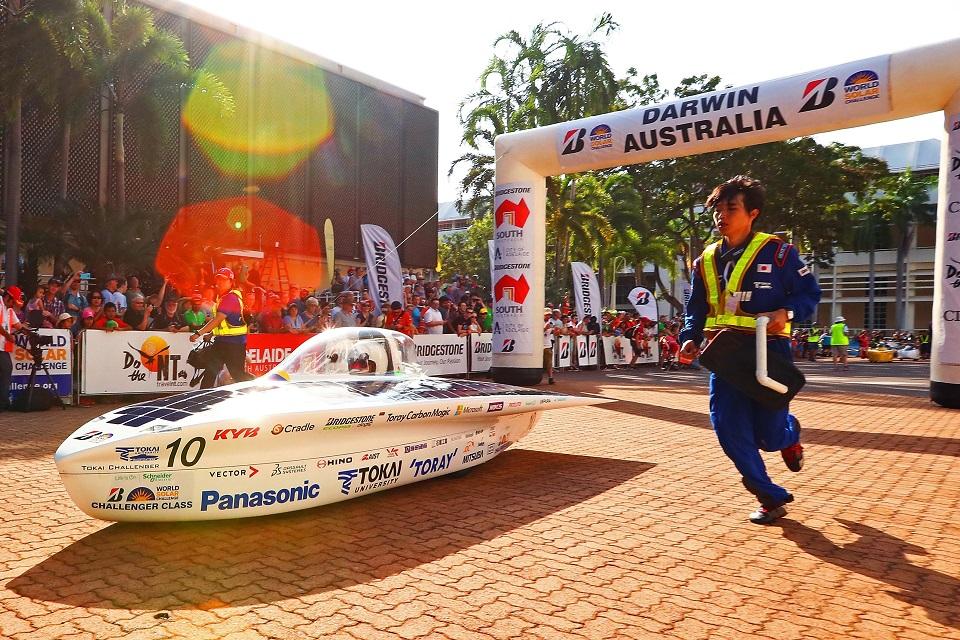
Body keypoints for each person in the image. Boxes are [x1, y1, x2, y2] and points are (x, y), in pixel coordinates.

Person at [679, 175, 821, 525]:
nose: (721, 216)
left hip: (768, 352)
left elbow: (809, 295)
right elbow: (696, 306)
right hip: (723, 355)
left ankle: (789, 433)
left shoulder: (780, 253)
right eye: (718, 209)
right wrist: (690, 334)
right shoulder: (705, 260)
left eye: (731, 208)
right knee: (728, 428)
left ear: (752, 213)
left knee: (769, 436)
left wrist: (784, 313)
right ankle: (769, 496)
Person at [190, 268, 254, 388]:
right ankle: (203, 396)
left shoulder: (230, 298)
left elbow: (218, 319)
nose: (219, 282)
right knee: (210, 371)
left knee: (238, 375)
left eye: (223, 279)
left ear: (231, 281)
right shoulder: (223, 297)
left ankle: (257, 390)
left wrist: (199, 333)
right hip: (222, 342)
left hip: (234, 344)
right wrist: (212, 334)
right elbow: (223, 323)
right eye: (218, 279)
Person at [0, 286, 25, 412]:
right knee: (6, 371)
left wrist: (28, 332)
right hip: (1, 347)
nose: (13, 305)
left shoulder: (9, 310)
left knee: (5, 372)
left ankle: (3, 403)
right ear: (8, 297)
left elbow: (18, 325)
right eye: (13, 302)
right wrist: (8, 335)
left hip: (3, 347)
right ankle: (3, 403)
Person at [543, 308, 562, 384]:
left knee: (549, 362)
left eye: (549, 315)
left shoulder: (551, 322)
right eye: (546, 314)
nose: (548, 316)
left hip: (547, 345)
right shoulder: (538, 321)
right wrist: (544, 328)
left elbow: (554, 333)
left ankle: (550, 378)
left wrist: (557, 331)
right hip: (538, 345)